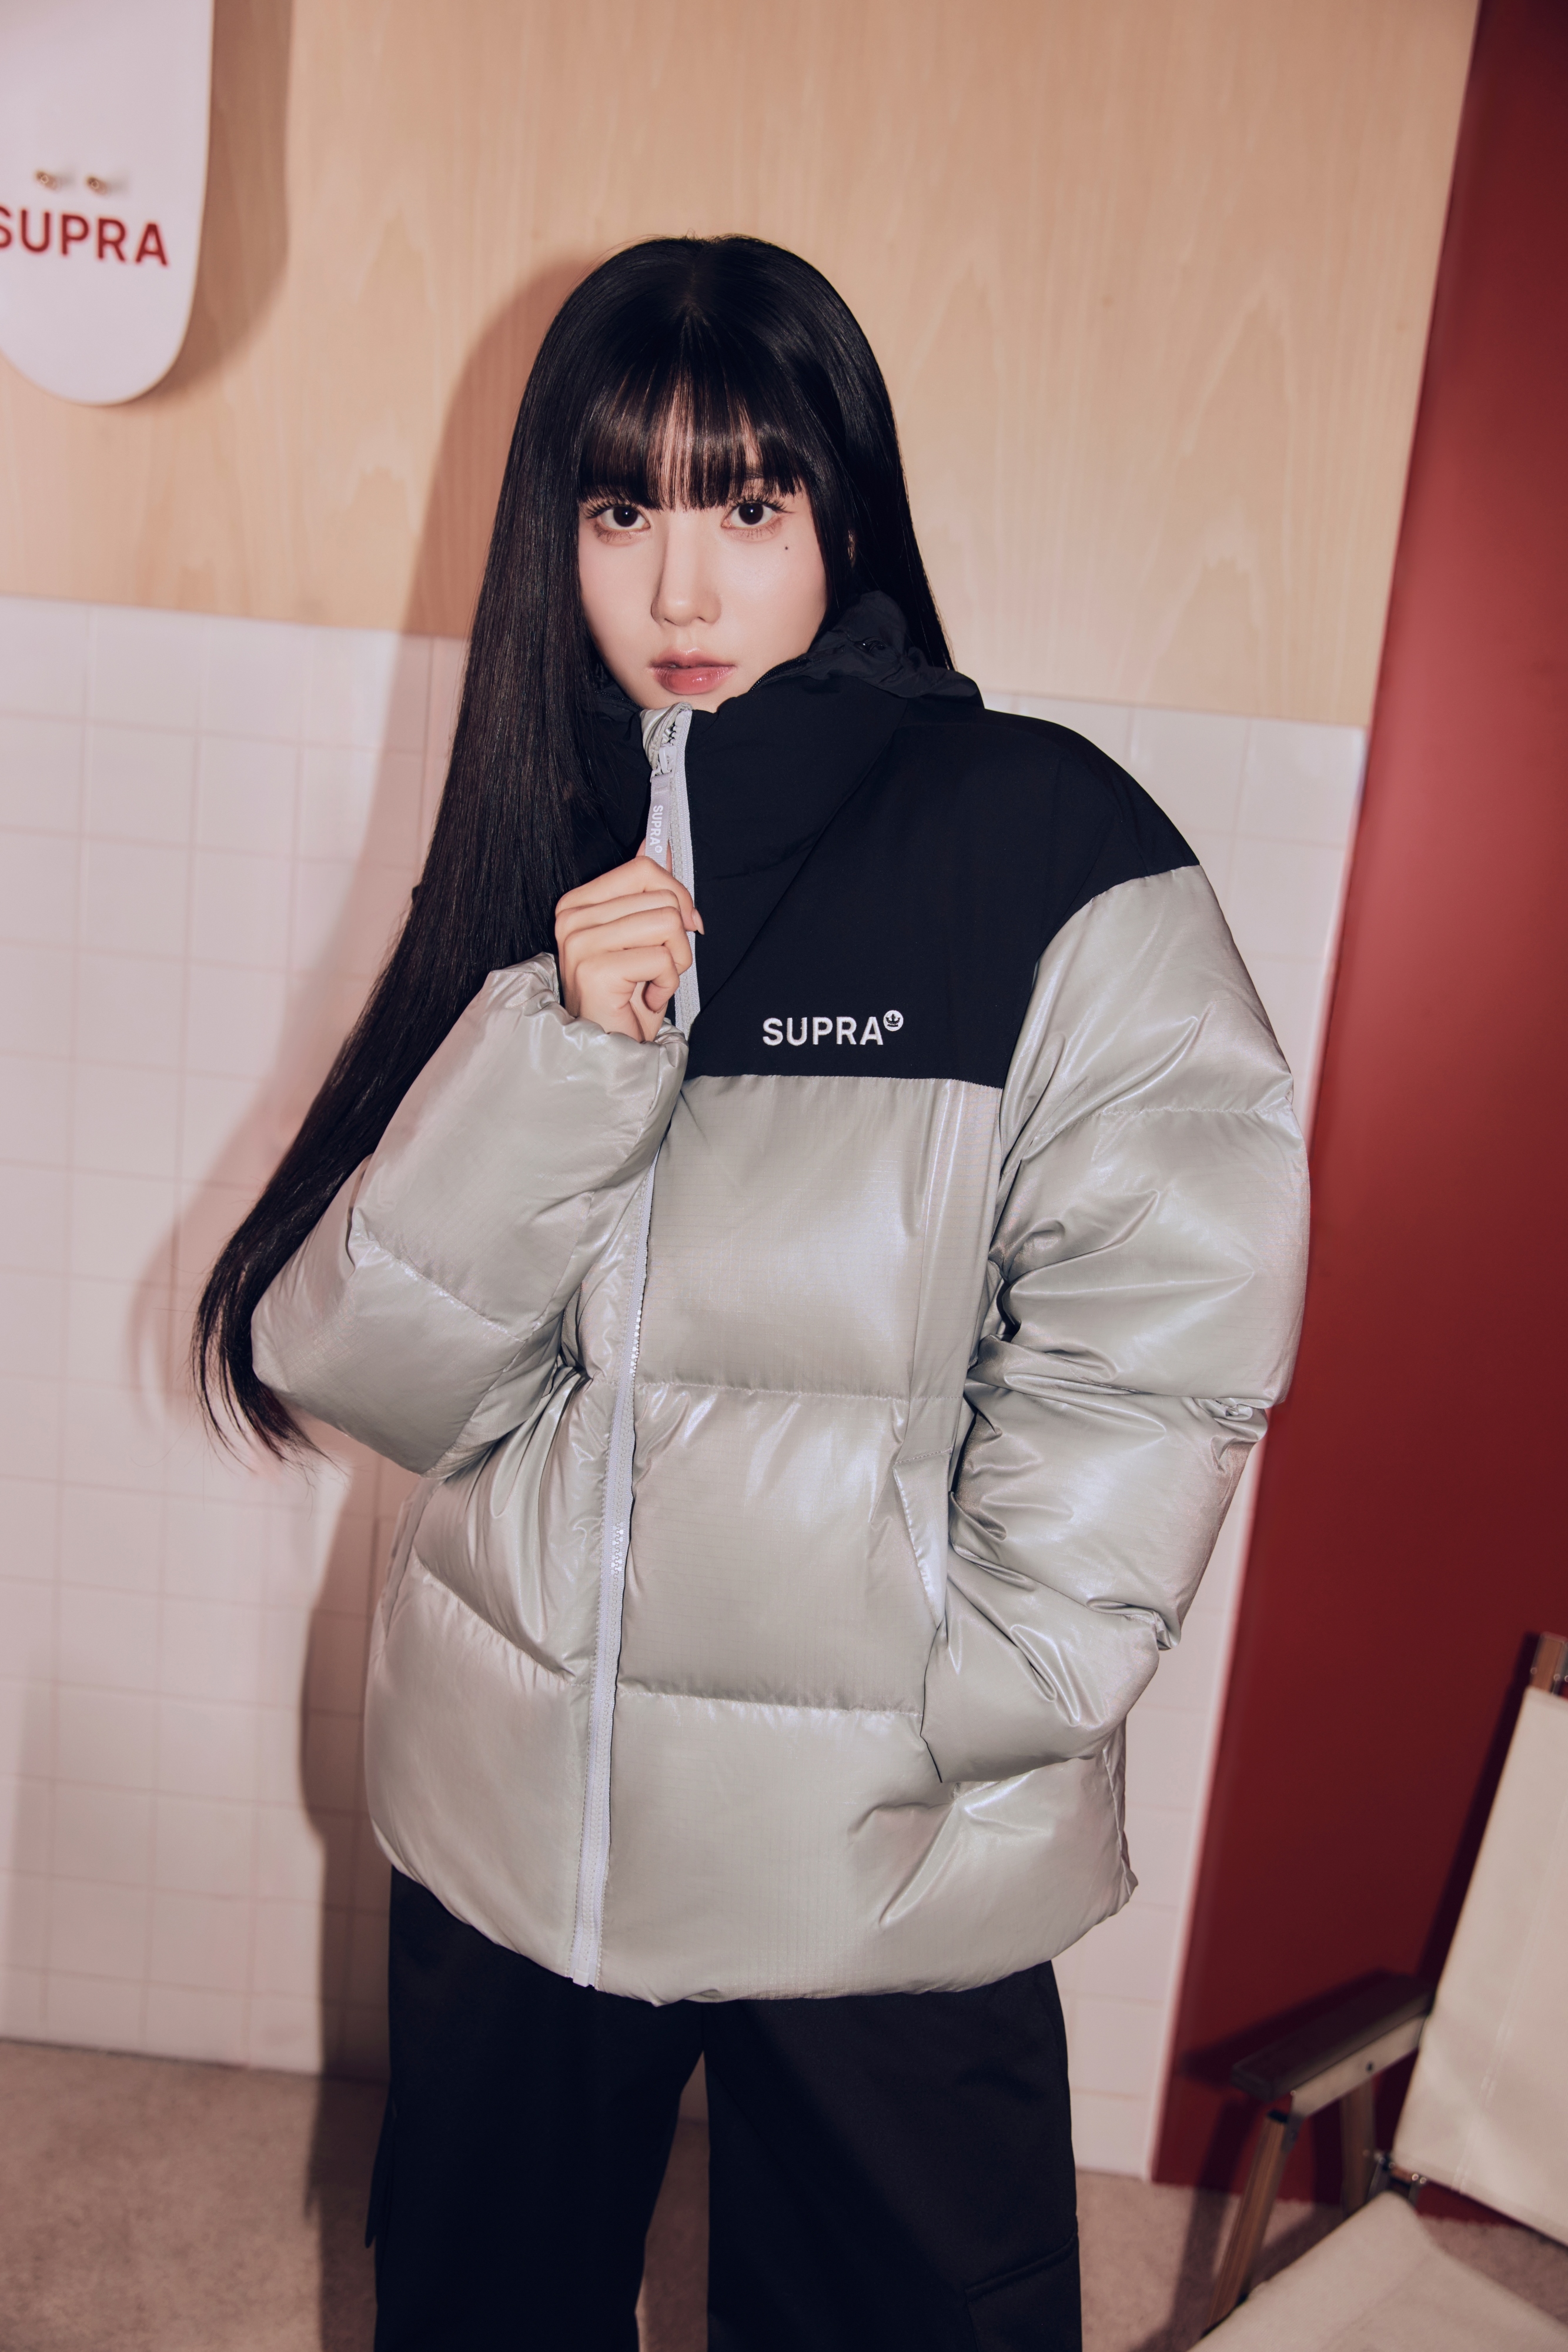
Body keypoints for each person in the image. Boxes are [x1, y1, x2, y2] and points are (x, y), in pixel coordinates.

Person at [195, 235, 1308, 2351]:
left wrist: (977, 1689)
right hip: (522, 1828)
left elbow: (1163, 1336)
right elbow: (358, 1367)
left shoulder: (1041, 844)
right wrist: (565, 1047)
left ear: (846, 521)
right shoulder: (541, 840)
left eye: (748, 504)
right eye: (621, 511)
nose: (681, 587)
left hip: (876, 1841)